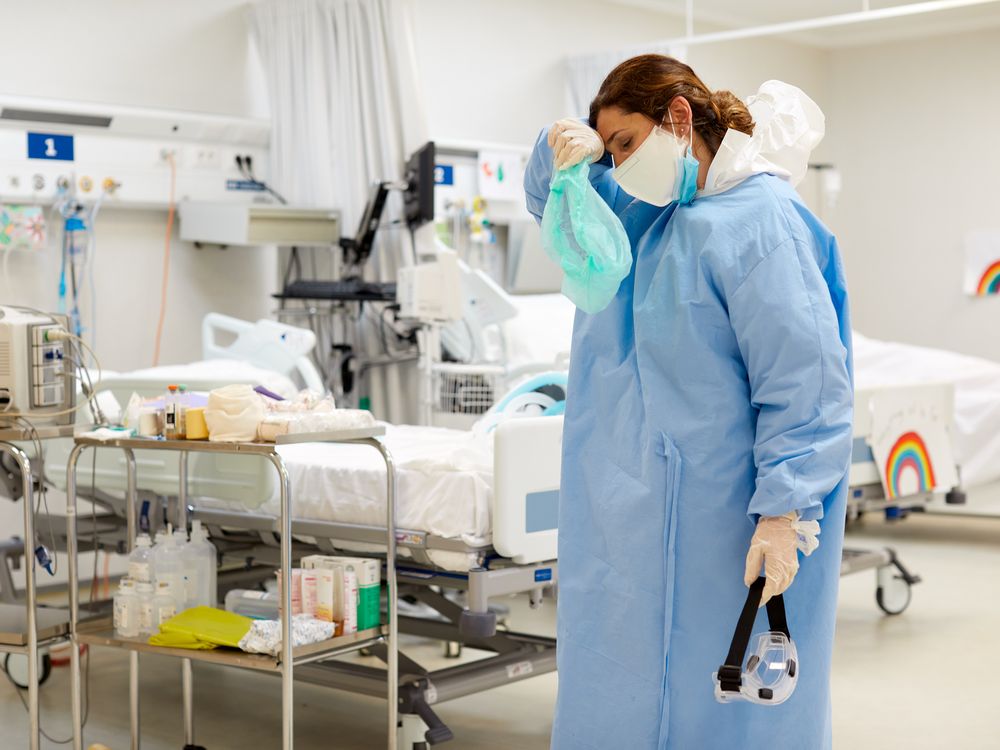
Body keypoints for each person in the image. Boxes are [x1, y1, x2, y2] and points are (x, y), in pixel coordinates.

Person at [523, 55, 853, 749]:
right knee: (619, 689)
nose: (616, 165)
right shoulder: (645, 212)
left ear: (678, 118)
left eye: (624, 143)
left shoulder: (763, 222)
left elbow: (805, 381)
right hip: (627, 517)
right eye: (607, 148)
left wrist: (784, 510)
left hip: (728, 522)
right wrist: (563, 153)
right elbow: (555, 205)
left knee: (724, 701)